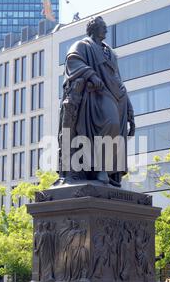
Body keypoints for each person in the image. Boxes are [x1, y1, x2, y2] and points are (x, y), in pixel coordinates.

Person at [58, 15, 135, 187]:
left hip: (118, 97)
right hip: (96, 95)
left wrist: (129, 109)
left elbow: (118, 79)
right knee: (111, 122)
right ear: (94, 28)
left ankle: (110, 171)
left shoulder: (110, 53)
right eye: (103, 27)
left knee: (117, 131)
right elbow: (73, 61)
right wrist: (91, 75)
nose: (106, 30)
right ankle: (100, 168)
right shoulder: (82, 45)